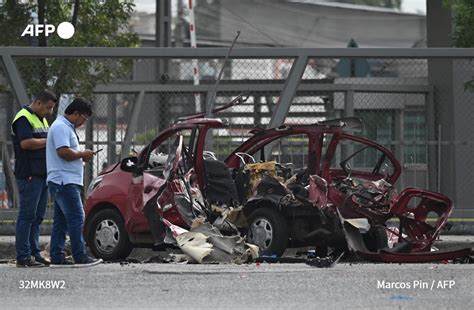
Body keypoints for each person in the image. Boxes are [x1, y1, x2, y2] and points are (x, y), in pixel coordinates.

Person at [46, 98, 102, 266]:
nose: (83, 122)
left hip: (64, 180)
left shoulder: (64, 127)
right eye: (83, 118)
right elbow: (63, 152)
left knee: (62, 221)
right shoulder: (61, 127)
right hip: (64, 182)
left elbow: (67, 153)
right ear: (75, 113)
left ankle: (57, 256)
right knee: (77, 218)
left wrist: (81, 156)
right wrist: (82, 154)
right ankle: (80, 256)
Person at [11, 90, 57, 267]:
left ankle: (34, 252)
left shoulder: (42, 119)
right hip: (29, 174)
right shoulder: (23, 117)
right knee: (27, 215)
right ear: (38, 102)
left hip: (41, 174)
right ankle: (23, 257)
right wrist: (49, 140)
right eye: (48, 107)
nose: (49, 112)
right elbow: (26, 143)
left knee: (37, 217)